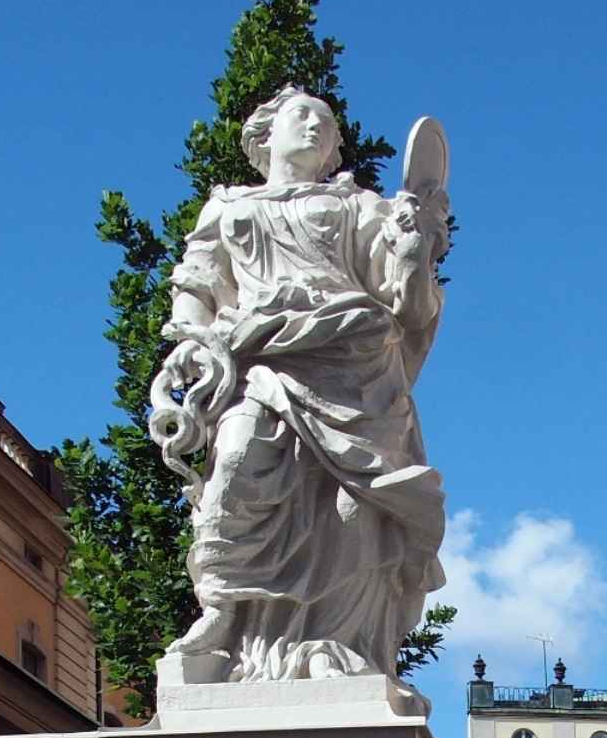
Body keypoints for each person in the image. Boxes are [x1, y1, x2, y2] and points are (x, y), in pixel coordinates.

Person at [149, 85, 450, 683]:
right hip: (258, 357)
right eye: (303, 116)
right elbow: (197, 286)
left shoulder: (360, 207)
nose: (317, 128)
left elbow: (405, 299)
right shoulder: (229, 207)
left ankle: (331, 645)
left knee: (349, 508)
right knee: (236, 465)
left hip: (353, 361)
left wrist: (414, 250)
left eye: (328, 124)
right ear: (265, 135)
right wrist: (188, 339)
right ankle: (223, 611)